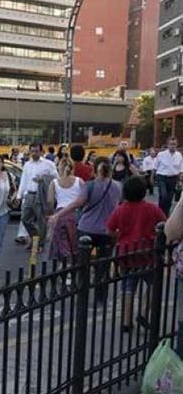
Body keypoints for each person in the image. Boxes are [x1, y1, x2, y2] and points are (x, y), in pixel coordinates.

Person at [54, 157, 121, 302]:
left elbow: (78, 204)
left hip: (87, 229)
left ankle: (81, 294)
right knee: (102, 266)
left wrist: (58, 214)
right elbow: (119, 208)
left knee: (82, 263)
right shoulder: (117, 186)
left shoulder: (89, 185)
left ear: (94, 169)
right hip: (107, 231)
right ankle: (100, 298)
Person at [107, 176, 167, 333]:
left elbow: (110, 229)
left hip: (126, 253)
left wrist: (119, 237)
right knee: (154, 283)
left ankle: (126, 322)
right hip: (147, 252)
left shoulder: (121, 209)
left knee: (128, 287)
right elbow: (164, 223)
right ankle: (142, 311)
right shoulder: (151, 208)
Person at [17, 143, 58, 253]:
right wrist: (19, 195)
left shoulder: (49, 164)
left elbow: (56, 179)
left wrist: (43, 178)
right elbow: (23, 180)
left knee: (41, 221)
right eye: (32, 151)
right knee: (25, 219)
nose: (34, 153)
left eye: (36, 151)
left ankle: (39, 245)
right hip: (29, 194)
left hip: (42, 195)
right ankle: (35, 238)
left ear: (41, 152)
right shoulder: (27, 165)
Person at [46, 158, 83, 260]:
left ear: (59, 168)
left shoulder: (54, 183)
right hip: (75, 214)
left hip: (60, 214)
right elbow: (85, 199)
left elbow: (50, 201)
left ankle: (64, 265)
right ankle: (73, 265)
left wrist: (51, 213)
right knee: (74, 242)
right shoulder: (79, 181)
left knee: (62, 243)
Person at [155, 137, 182, 216]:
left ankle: (165, 215)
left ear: (177, 145)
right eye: (171, 144)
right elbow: (155, 167)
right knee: (163, 196)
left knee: (169, 199)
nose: (172, 146)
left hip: (173, 178)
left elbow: (180, 169)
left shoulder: (179, 155)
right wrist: (152, 177)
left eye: (174, 144)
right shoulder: (161, 154)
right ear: (167, 145)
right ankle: (159, 213)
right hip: (162, 177)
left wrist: (180, 180)